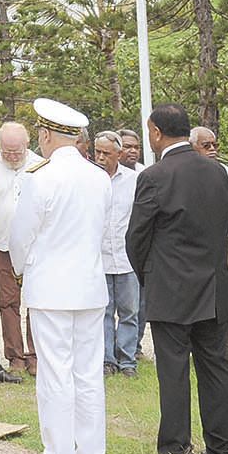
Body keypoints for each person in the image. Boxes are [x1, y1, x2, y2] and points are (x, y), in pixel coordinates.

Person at [126, 103, 228, 454]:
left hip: (172, 289)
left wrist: (150, 277)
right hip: (214, 285)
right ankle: (223, 451)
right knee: (216, 368)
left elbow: (136, 238)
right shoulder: (219, 173)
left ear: (156, 132)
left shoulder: (155, 177)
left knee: (173, 372)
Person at [10, 99, 112, 454]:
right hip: (89, 287)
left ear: (47, 134)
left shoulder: (41, 177)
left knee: (55, 374)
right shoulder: (99, 177)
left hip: (51, 288)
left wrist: (24, 271)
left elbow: (20, 237)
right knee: (87, 375)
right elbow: (101, 232)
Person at [0, 120, 44, 377]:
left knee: (36, 300)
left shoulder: (41, 166)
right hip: (3, 246)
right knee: (8, 302)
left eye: (16, 151)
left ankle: (35, 355)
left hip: (36, 247)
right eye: (6, 151)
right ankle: (15, 356)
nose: (11, 155)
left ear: (26, 145)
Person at [190, 127, 228, 366]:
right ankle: (202, 351)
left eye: (215, 145)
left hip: (226, 242)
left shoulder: (225, 172)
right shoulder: (187, 174)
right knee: (199, 298)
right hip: (198, 244)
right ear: (192, 146)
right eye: (206, 145)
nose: (212, 150)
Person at [91, 130, 139, 377]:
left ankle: (128, 360)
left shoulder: (134, 180)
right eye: (97, 151)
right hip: (98, 259)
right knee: (104, 312)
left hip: (126, 258)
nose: (100, 157)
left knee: (130, 311)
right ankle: (107, 360)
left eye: (106, 153)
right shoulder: (88, 180)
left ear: (118, 154)